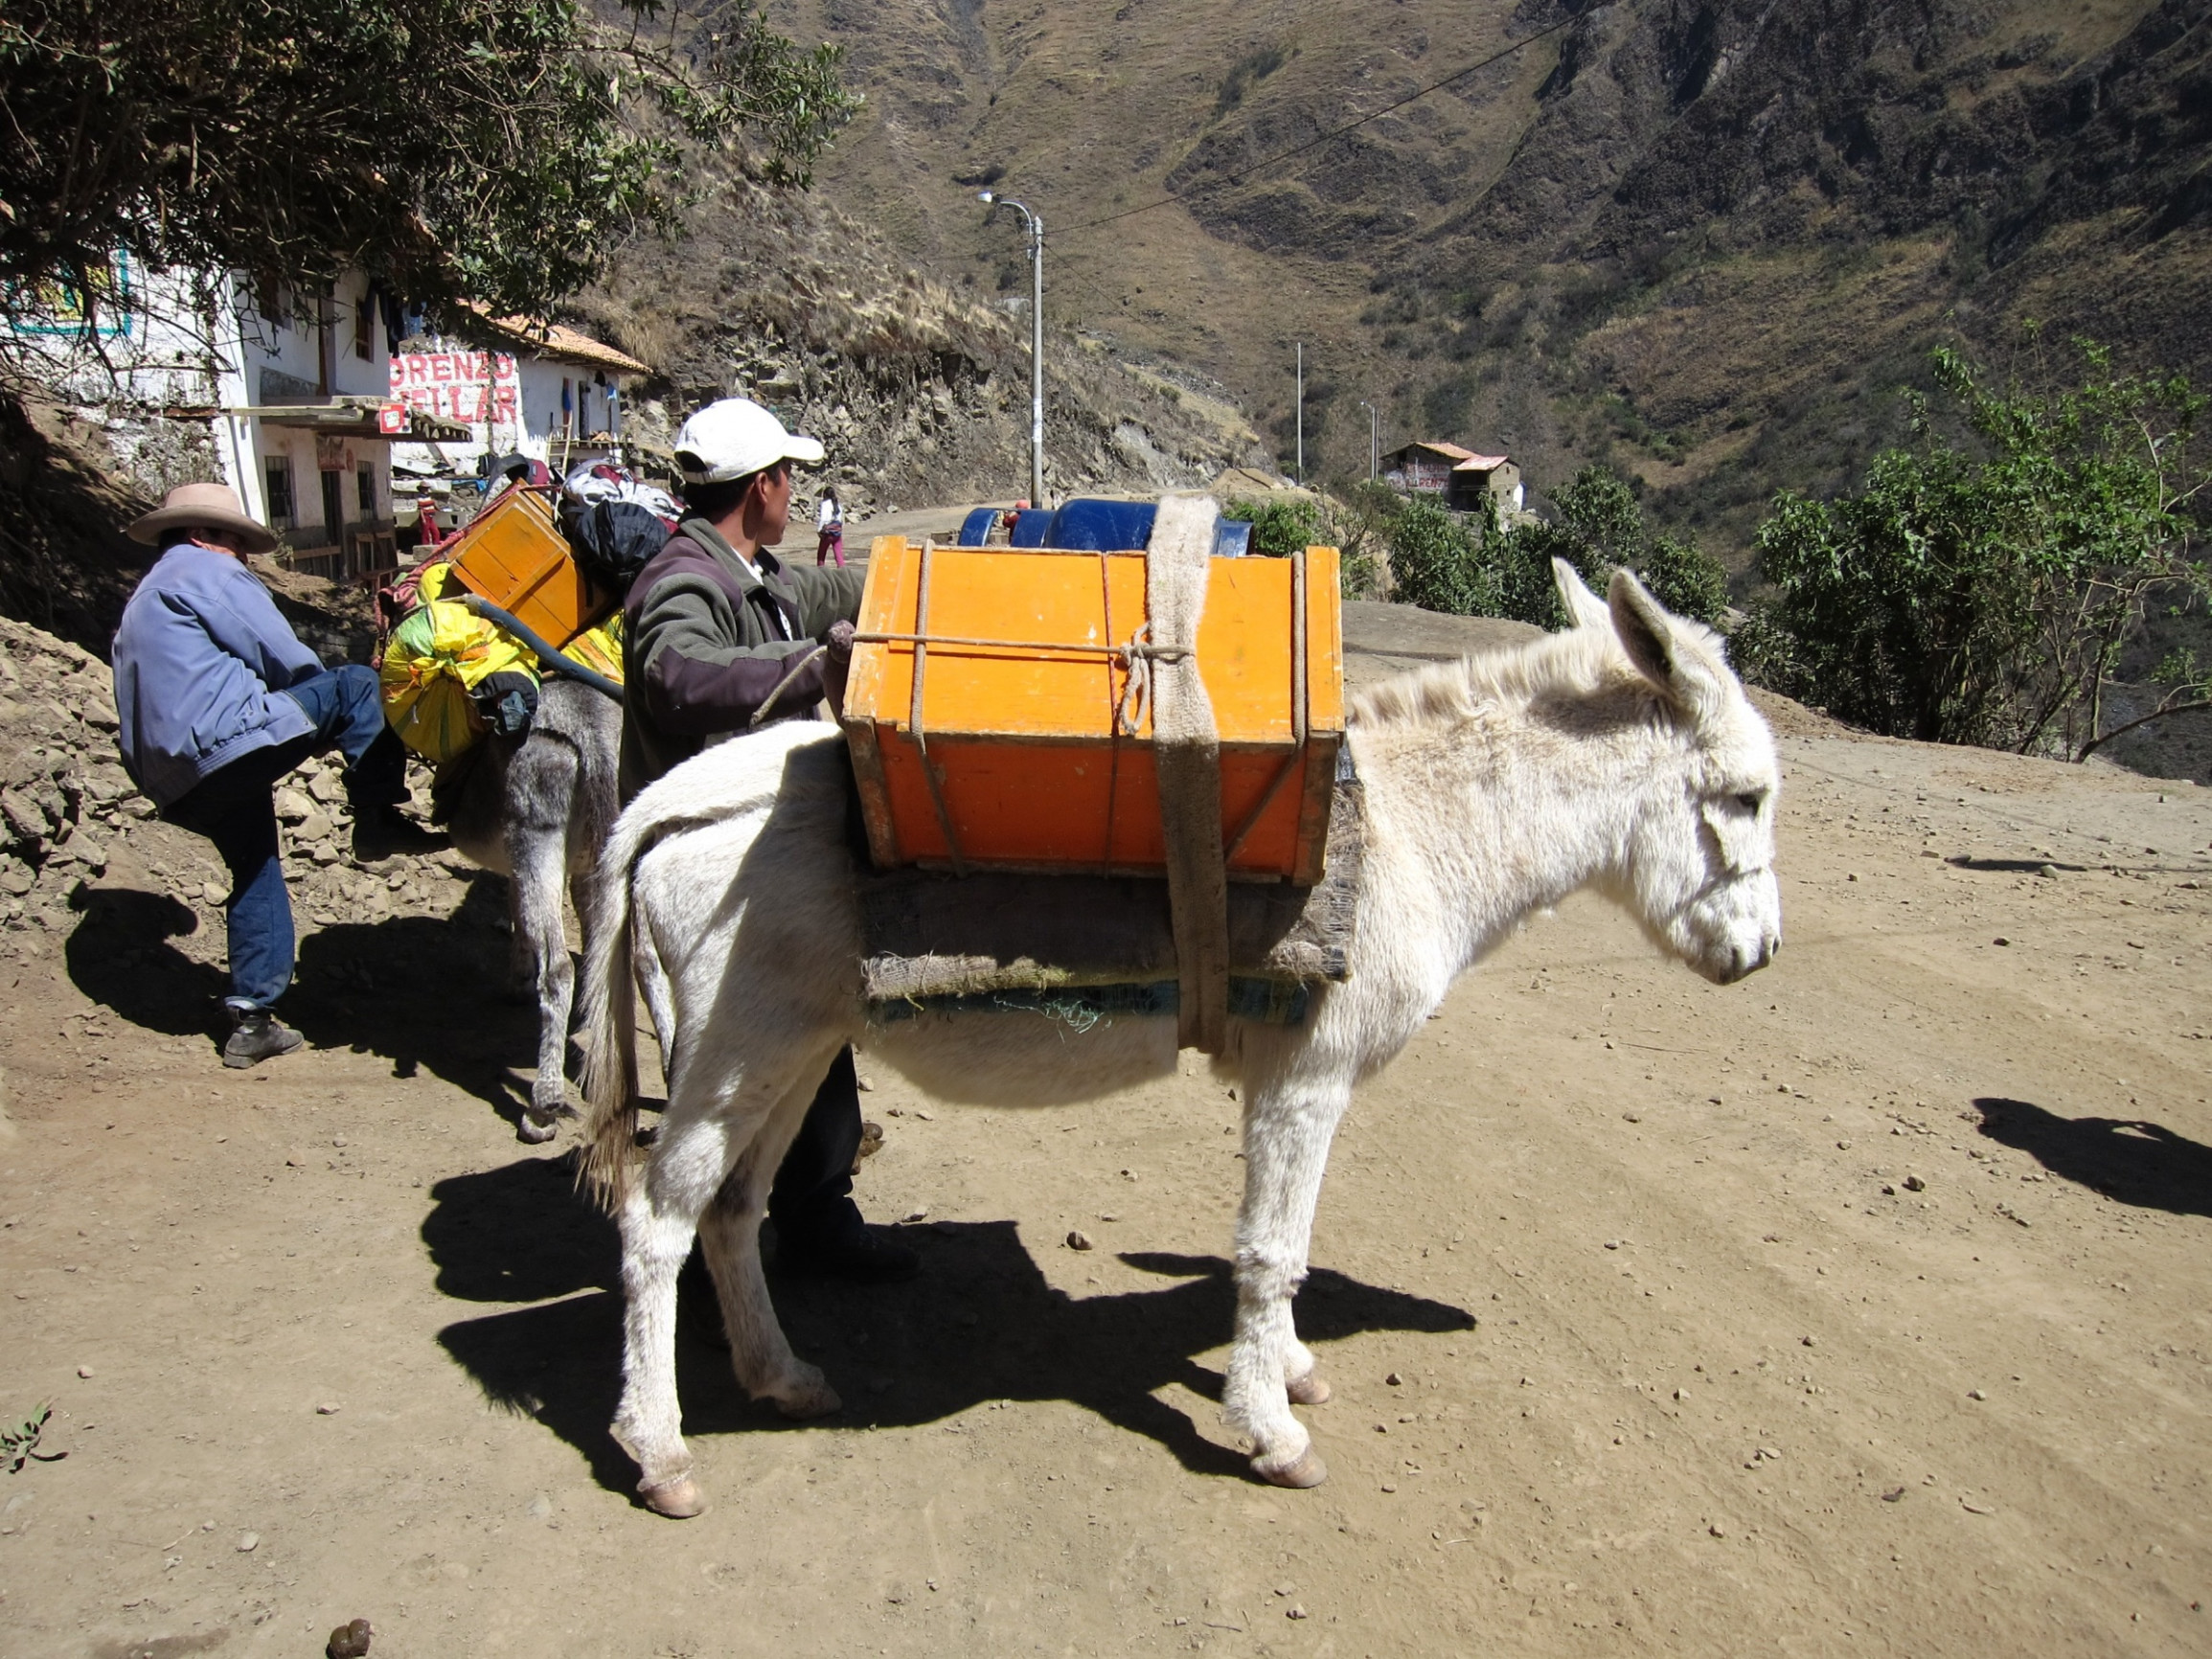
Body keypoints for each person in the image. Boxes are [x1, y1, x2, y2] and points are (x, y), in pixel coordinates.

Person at [621, 398, 916, 1282]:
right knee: (727, 1068)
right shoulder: (683, 579)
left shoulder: (756, 574)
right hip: (708, 868)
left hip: (767, 865)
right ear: (765, 487)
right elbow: (675, 671)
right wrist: (804, 668)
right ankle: (713, 1274)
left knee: (815, 1038)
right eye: (792, 477)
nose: (796, 492)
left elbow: (832, 591)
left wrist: (926, 572)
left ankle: (817, 1213)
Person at [110, 482, 440, 1067]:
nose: (242, 557)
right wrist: (333, 714)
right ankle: (377, 817)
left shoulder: (145, 596)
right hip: (223, 744)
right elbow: (288, 659)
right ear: (202, 535)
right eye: (236, 543)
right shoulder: (203, 570)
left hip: (173, 779)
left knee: (255, 865)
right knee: (357, 686)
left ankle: (252, 1019)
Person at [814, 486, 844, 568]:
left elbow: (823, 518)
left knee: (821, 554)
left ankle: (821, 571)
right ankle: (842, 572)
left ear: (825, 495)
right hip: (837, 532)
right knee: (839, 555)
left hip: (828, 533)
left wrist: (819, 529)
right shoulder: (838, 504)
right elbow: (841, 519)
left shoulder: (825, 504)